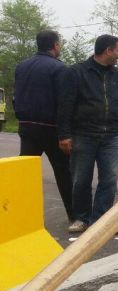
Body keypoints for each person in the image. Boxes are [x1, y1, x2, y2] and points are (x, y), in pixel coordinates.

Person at [57, 34, 118, 233]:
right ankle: (82, 218)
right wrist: (64, 134)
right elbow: (65, 105)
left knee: (109, 179)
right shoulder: (76, 72)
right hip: (83, 134)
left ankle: (101, 221)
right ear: (108, 50)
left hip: (111, 135)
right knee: (81, 179)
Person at [13, 30, 74, 222]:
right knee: (64, 172)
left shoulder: (21, 66)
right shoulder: (60, 68)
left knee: (26, 172)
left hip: (26, 127)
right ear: (55, 45)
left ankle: (20, 215)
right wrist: (65, 133)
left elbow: (17, 96)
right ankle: (74, 215)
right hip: (51, 128)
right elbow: (64, 104)